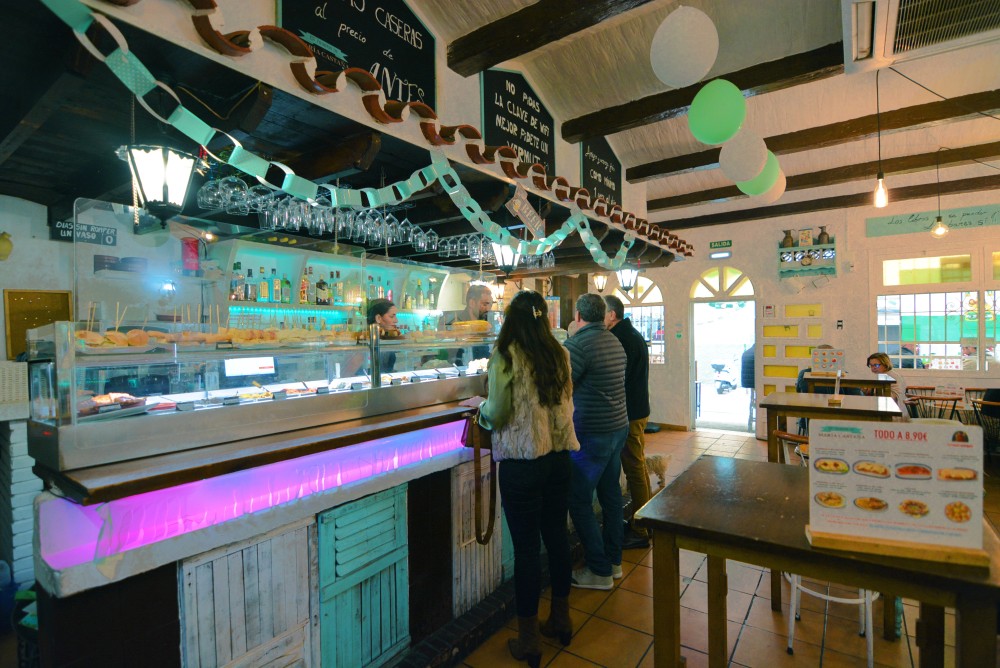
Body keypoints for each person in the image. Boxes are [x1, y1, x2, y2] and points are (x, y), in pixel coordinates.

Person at [465, 290, 579, 666]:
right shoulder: (560, 352)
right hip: (559, 458)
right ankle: (561, 619)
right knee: (557, 539)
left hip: (523, 462)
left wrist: (480, 410)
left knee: (527, 551)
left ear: (512, 319)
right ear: (544, 317)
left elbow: (497, 412)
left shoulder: (506, 354)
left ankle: (529, 641)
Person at [563, 293, 629, 591]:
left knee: (578, 499)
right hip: (617, 427)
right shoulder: (614, 341)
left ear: (578, 316)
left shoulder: (577, 346)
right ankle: (614, 562)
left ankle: (599, 571)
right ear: (604, 315)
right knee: (611, 495)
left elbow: (560, 386)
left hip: (592, 433)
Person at [603, 295, 651, 550]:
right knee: (638, 467)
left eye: (602, 313)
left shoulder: (620, 339)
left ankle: (641, 529)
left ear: (612, 315)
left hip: (630, 412)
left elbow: (617, 379)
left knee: (634, 468)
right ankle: (644, 520)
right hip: (638, 409)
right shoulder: (630, 334)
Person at [442, 284, 493, 364]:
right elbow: (452, 357)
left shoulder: (484, 327)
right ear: (472, 303)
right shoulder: (455, 325)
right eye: (484, 304)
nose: (488, 309)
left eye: (490, 305)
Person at [865, 352, 909, 420]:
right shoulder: (886, 374)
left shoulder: (888, 376)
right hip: (894, 409)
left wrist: (871, 391)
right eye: (871, 365)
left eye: (876, 365)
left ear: (885, 364)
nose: (873, 368)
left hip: (895, 413)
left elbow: (892, 398)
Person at [367, 298, 399, 373]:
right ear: (378, 318)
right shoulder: (364, 341)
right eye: (392, 316)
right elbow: (348, 373)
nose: (396, 320)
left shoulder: (386, 339)